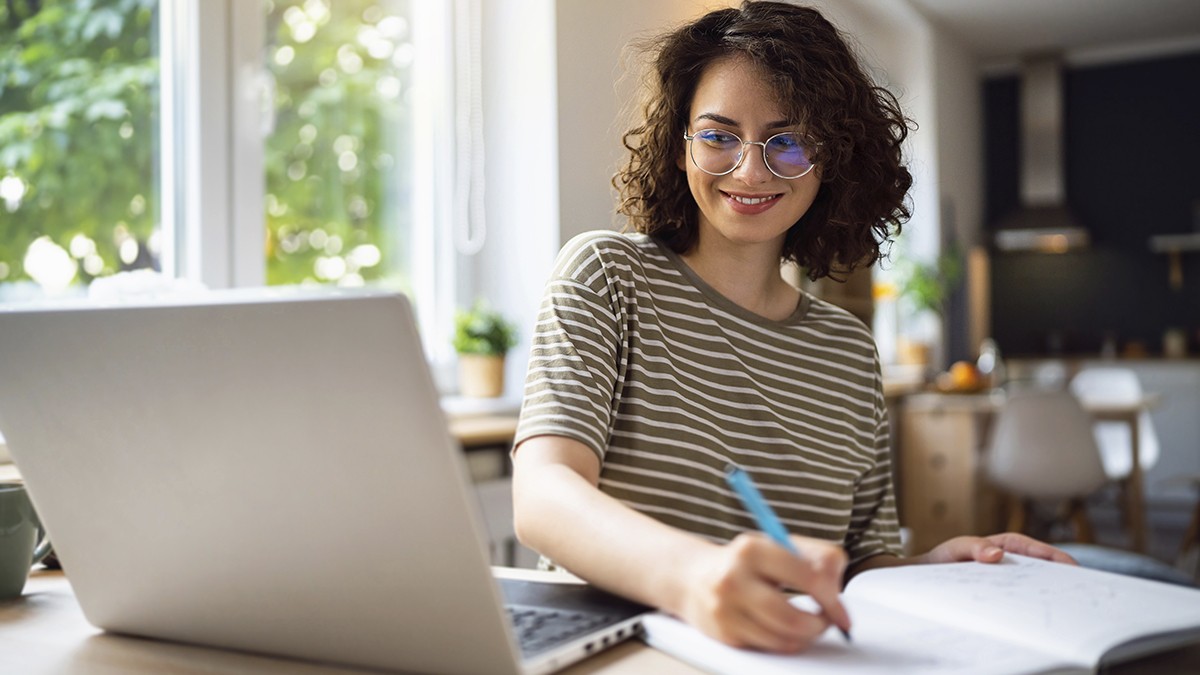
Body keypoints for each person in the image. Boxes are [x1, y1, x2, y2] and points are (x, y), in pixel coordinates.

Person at [510, 0, 1073, 655]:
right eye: (719, 135)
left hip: (786, 656)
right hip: (622, 654)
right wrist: (692, 576)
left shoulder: (848, 352)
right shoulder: (606, 274)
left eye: (789, 140)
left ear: (832, 156)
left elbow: (862, 565)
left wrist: (938, 569)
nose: (750, 171)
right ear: (680, 141)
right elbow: (545, 495)